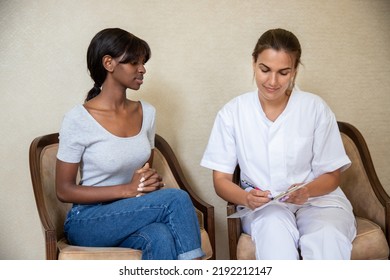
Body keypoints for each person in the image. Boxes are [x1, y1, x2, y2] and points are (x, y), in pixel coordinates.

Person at [200, 28, 356, 260]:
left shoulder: (315, 108)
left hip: (318, 202)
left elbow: (332, 176)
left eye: (283, 72)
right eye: (265, 70)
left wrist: (306, 191)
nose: (272, 81)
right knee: (274, 235)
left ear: (294, 71)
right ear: (254, 63)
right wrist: (246, 198)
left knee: (327, 237)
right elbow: (220, 181)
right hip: (265, 208)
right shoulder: (233, 113)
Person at [56, 28, 204, 260]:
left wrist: (146, 184)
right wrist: (127, 189)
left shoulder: (147, 113)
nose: (143, 69)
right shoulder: (78, 119)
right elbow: (64, 190)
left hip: (130, 212)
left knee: (160, 235)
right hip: (88, 221)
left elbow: (142, 176)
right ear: (109, 63)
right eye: (134, 62)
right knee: (177, 199)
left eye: (143, 62)